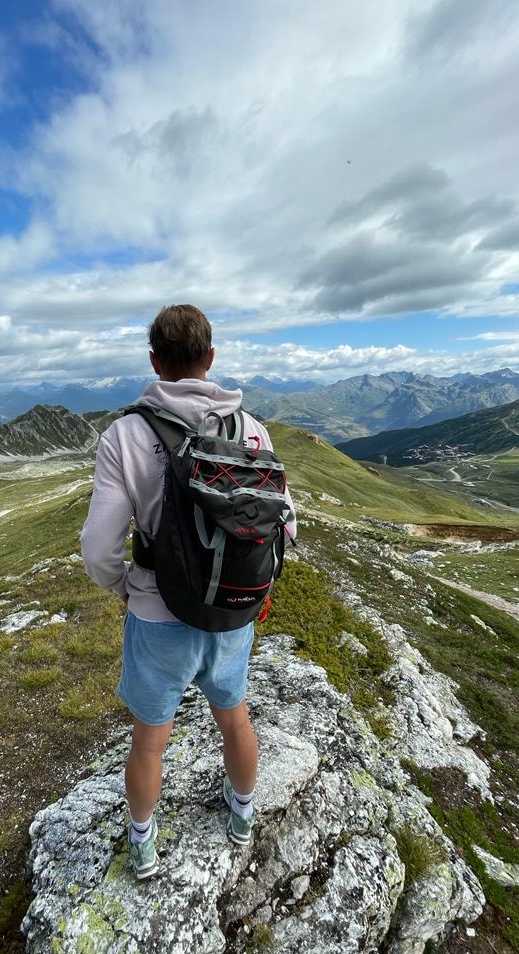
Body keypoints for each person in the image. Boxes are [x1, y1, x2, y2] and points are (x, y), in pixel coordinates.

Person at [80, 304, 297, 880]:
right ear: (211, 359)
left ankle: (145, 846)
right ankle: (243, 816)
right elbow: (286, 524)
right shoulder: (252, 429)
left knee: (151, 740)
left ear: (154, 361)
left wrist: (125, 586)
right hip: (233, 609)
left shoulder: (126, 434)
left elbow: (99, 545)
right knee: (235, 719)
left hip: (158, 611)